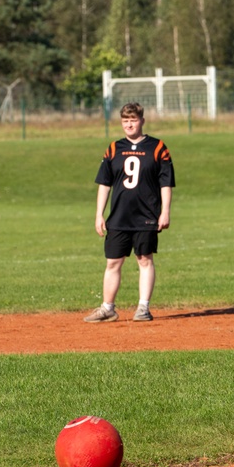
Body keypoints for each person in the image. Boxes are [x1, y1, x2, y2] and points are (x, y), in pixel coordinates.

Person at [84, 102, 175, 323]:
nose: (129, 124)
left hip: (146, 215)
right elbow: (104, 184)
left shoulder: (158, 147)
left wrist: (165, 212)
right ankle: (108, 308)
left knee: (144, 259)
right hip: (119, 216)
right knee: (112, 262)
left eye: (133, 120)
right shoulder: (114, 148)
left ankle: (143, 308)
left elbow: (166, 183)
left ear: (142, 121)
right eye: (125, 121)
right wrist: (99, 214)